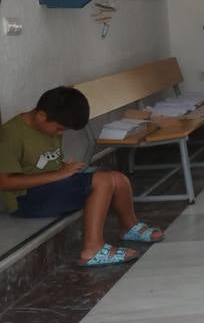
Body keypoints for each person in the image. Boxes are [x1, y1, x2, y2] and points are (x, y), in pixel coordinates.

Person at [0, 87, 162, 266]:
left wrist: (64, 168)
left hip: (50, 186)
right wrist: (59, 174)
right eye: (59, 129)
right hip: (24, 200)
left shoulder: (47, 125)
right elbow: (4, 182)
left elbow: (43, 163)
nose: (60, 134)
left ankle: (129, 227)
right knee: (102, 181)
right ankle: (92, 249)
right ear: (41, 116)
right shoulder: (10, 134)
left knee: (118, 178)